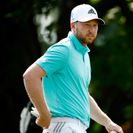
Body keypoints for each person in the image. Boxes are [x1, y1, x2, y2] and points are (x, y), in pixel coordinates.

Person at [23, 3, 123, 133]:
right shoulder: (64, 49)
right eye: (87, 24)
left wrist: (107, 122)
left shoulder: (84, 54)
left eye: (95, 25)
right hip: (63, 125)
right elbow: (30, 75)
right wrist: (44, 114)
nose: (92, 29)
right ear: (73, 25)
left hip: (76, 127)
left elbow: (83, 96)